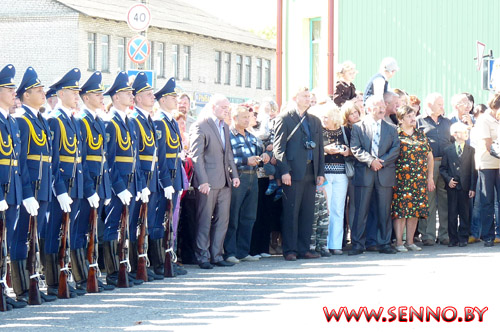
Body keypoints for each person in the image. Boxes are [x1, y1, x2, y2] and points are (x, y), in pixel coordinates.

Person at [14, 66, 57, 304]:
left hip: (42, 189)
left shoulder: (39, 119)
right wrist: (28, 193)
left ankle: (33, 283)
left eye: (42, 90)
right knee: (21, 238)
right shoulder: (22, 120)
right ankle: (22, 289)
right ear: (26, 95)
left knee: (34, 238)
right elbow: (20, 163)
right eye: (37, 90)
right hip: (28, 191)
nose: (43, 93)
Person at [45, 68, 85, 297]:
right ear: (61, 93)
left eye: (78, 91)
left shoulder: (73, 120)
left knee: (68, 233)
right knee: (54, 233)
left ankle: (65, 277)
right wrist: (60, 190)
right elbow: (54, 159)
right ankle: (52, 283)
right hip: (62, 186)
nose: (77, 95)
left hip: (75, 185)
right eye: (73, 91)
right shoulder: (54, 120)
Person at [103, 71, 145, 287]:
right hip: (117, 185)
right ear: (116, 97)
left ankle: (123, 268)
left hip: (130, 183)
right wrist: (119, 187)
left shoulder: (129, 122)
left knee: (125, 228)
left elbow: (135, 157)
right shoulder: (111, 123)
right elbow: (108, 161)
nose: (131, 95)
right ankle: (112, 272)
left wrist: (139, 185)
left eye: (131, 92)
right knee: (112, 227)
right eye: (126, 92)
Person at [273, 87, 325, 261]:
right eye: (304, 96)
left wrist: (320, 172)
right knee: (291, 212)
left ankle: (304, 248)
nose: (308, 99)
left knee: (307, 212)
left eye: (309, 96)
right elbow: (279, 148)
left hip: (311, 170)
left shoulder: (315, 121)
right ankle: (290, 250)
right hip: (293, 172)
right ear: (295, 97)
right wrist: (284, 171)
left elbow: (319, 148)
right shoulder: (284, 119)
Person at [189, 94, 240, 269]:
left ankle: (216, 255)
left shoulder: (225, 126)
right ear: (213, 107)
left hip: (225, 181)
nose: (227, 111)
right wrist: (202, 181)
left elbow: (229, 154)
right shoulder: (201, 125)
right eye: (223, 107)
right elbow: (197, 156)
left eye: (228, 108)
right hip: (208, 182)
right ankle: (202, 256)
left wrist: (235, 175)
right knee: (204, 220)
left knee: (222, 220)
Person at [74, 71, 114, 292]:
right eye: (97, 94)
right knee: (81, 232)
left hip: (99, 184)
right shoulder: (82, 121)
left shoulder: (97, 120)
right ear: (86, 97)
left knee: (94, 232)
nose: (101, 98)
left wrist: (104, 188)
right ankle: (82, 278)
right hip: (88, 184)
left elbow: (103, 158)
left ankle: (93, 275)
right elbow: (83, 160)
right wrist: (90, 189)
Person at [0, 64, 36, 309]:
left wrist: (24, 194)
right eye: (9, 87)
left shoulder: (11, 123)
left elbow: (19, 164)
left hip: (12, 194)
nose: (15, 91)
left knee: (6, 245)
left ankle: (3, 292)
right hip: (2, 194)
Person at [349, 95, 400, 255]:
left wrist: (382, 162)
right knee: (361, 211)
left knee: (384, 210)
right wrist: (371, 161)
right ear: (369, 108)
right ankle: (358, 244)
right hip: (365, 172)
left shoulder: (391, 128)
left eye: (383, 106)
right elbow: (356, 148)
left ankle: (384, 243)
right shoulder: (358, 127)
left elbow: (395, 149)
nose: (382, 109)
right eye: (378, 106)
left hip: (384, 173)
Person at [224, 105, 270, 264]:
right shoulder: (228, 135)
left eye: (248, 117)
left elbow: (260, 153)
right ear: (234, 118)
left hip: (253, 177)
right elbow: (226, 160)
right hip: (238, 176)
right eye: (244, 117)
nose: (247, 120)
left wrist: (263, 156)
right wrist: (245, 161)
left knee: (249, 216)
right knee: (233, 215)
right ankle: (230, 252)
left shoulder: (251, 136)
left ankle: (243, 251)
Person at [153, 77, 187, 276]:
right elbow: (161, 156)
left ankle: (168, 259)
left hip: (174, 178)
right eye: (172, 96)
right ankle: (159, 263)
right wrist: (165, 181)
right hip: (165, 179)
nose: (176, 100)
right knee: (160, 221)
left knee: (169, 222)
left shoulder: (170, 121)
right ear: (163, 100)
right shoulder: (159, 121)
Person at [129, 72, 160, 281]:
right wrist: (141, 183)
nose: (153, 97)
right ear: (138, 98)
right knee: (132, 224)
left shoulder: (147, 119)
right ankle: (131, 266)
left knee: (146, 223)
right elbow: (136, 157)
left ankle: (143, 263)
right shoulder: (135, 120)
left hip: (152, 177)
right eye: (148, 94)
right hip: (141, 179)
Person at [391, 106, 435, 252]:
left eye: (414, 115)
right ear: (401, 119)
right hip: (402, 179)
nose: (413, 118)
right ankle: (399, 242)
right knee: (401, 212)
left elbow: (429, 157)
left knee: (415, 211)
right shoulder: (396, 134)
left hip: (419, 179)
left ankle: (410, 241)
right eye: (409, 116)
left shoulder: (420, 134)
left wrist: (430, 177)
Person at [416, 93, 452, 246]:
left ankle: (444, 234)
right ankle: (428, 235)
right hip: (427, 164)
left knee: (444, 199)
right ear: (429, 105)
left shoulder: (447, 122)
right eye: (439, 104)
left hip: (445, 164)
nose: (443, 107)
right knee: (428, 199)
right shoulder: (419, 122)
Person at [318, 103, 351, 255]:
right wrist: (326, 149)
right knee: (326, 209)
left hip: (341, 174)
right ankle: (323, 244)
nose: (324, 120)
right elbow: (315, 149)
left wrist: (347, 151)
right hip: (324, 173)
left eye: (326, 117)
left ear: (334, 117)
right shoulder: (319, 131)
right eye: (322, 116)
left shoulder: (344, 131)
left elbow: (353, 149)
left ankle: (336, 244)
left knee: (338, 209)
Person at [440, 122, 477, 247]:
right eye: (463, 132)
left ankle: (463, 237)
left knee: (464, 212)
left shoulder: (471, 150)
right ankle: (453, 238)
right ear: (455, 134)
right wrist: (448, 179)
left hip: (465, 186)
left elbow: (473, 170)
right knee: (452, 213)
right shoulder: (448, 150)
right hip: (453, 186)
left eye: (467, 132)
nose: (466, 134)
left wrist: (472, 187)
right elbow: (443, 168)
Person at [474, 93, 500, 247]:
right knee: (487, 201)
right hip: (487, 164)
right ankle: (488, 236)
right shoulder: (484, 120)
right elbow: (488, 146)